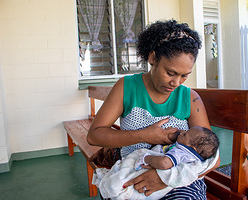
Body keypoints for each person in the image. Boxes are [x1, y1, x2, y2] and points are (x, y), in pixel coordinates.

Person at [87, 19, 220, 199]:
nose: (176, 83)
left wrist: (164, 178)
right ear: (152, 58)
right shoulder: (127, 88)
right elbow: (94, 135)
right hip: (133, 171)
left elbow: (213, 159)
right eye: (170, 73)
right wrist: (145, 135)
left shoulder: (190, 98)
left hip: (178, 179)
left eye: (184, 76)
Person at [93, 126, 219, 199]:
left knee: (118, 184)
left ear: (193, 148)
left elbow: (164, 164)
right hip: (153, 176)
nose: (181, 132)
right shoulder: (189, 148)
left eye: (185, 134)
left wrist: (147, 158)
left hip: (166, 178)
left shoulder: (181, 151)